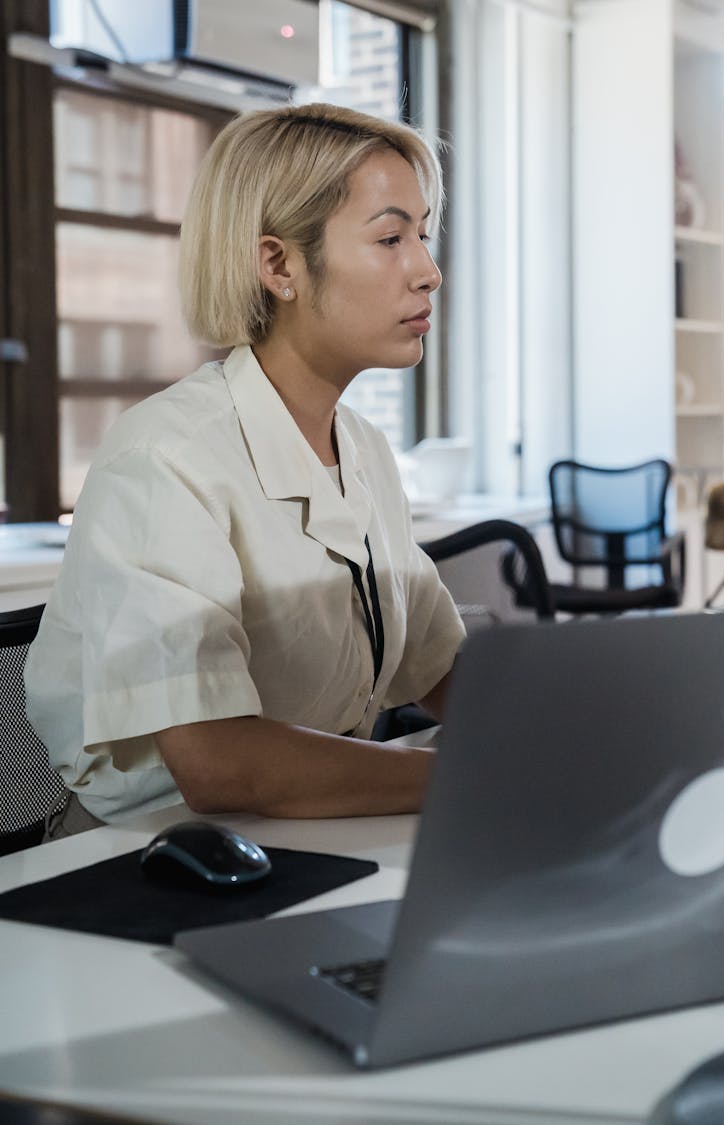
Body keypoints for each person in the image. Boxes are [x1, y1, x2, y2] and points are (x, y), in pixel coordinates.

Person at [24, 102, 466, 838]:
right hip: (148, 860)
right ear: (279, 265)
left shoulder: (362, 449)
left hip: (305, 833)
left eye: (423, 235)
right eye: (391, 237)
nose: (428, 271)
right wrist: (469, 775)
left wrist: (572, 735)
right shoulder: (165, 457)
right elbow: (218, 760)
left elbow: (442, 665)